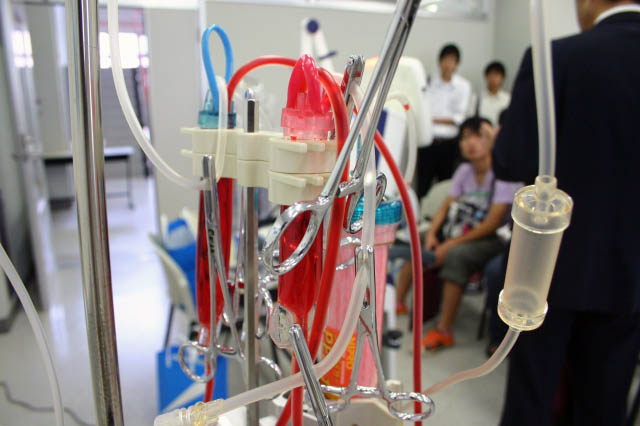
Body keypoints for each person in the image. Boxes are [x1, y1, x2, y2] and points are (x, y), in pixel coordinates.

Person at [492, 1, 640, 425]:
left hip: (546, 271)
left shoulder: (554, 58)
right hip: (630, 277)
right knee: (604, 403)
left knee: (532, 400)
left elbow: (509, 160)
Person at [394, 117, 521, 351]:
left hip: (490, 238)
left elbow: (492, 223)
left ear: (492, 138)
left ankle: (443, 330)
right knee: (417, 239)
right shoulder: (464, 171)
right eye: (465, 137)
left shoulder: (503, 175)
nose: (470, 142)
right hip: (460, 229)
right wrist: (432, 234)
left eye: (477, 135)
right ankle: (398, 302)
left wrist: (449, 244)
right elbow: (445, 206)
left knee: (457, 256)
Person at [416, 44, 472, 200]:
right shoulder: (428, 82)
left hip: (449, 143)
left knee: (446, 186)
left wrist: (432, 119)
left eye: (452, 61)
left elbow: (459, 118)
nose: (448, 64)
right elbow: (421, 109)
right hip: (428, 141)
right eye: (445, 60)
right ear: (439, 62)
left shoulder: (463, 86)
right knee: (423, 185)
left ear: (457, 63)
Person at [478, 61, 510, 126]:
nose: (493, 78)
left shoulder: (508, 99)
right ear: (486, 77)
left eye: (496, 75)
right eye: (490, 74)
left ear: (502, 78)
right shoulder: (477, 98)